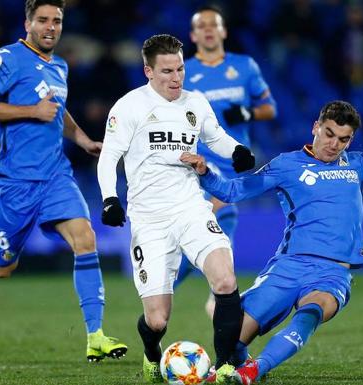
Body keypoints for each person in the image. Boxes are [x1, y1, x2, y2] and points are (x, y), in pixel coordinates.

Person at [181, 72, 363, 384]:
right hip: (288, 266)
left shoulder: (355, 164)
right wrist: (206, 172)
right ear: (316, 127)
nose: (334, 144)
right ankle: (238, 361)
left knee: (313, 310)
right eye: (329, 134)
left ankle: (253, 371)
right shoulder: (286, 165)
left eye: (343, 139)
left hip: (332, 272)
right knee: (232, 335)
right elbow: (233, 191)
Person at [0, 0, 127, 362]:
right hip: (16, 183)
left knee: (85, 239)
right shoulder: (9, 57)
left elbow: (57, 113)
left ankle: (96, 335)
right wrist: (31, 110)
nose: (51, 27)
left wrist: (81, 139)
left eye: (57, 20)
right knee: (1, 266)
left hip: (56, 176)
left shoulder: (60, 66)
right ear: (28, 22)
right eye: (43, 20)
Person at [97, 34, 256, 383]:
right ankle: (152, 354)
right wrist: (110, 198)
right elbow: (108, 157)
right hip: (150, 220)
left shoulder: (195, 102)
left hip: (191, 208)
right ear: (148, 71)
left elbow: (215, 135)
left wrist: (237, 150)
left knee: (226, 279)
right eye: (167, 71)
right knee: (157, 320)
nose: (176, 78)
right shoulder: (129, 107)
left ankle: (226, 365)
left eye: (181, 69)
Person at [178, 5, 277, 317]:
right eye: (201, 25)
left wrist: (247, 113)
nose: (208, 29)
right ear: (193, 35)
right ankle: (219, 292)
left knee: (210, 227)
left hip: (234, 159)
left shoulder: (244, 67)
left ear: (223, 31)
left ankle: (164, 285)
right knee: (223, 209)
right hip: (198, 160)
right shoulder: (184, 72)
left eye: (213, 24)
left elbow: (270, 108)